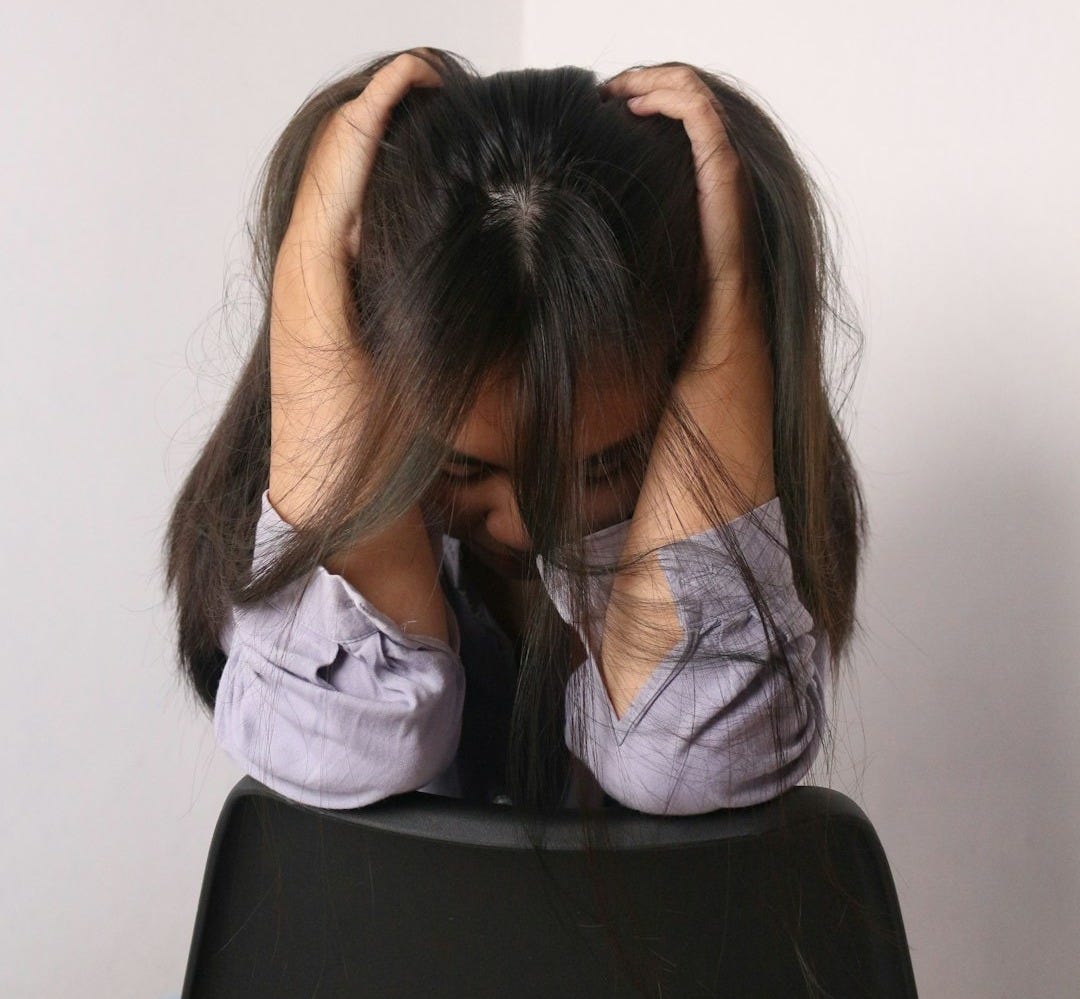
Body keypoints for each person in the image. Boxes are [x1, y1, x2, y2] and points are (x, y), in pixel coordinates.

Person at [164, 47, 866, 818]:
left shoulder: (756, 553)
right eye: (460, 470)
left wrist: (731, 300)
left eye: (602, 467)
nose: (530, 524)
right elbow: (338, 741)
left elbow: (692, 758)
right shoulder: (304, 564)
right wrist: (310, 273)